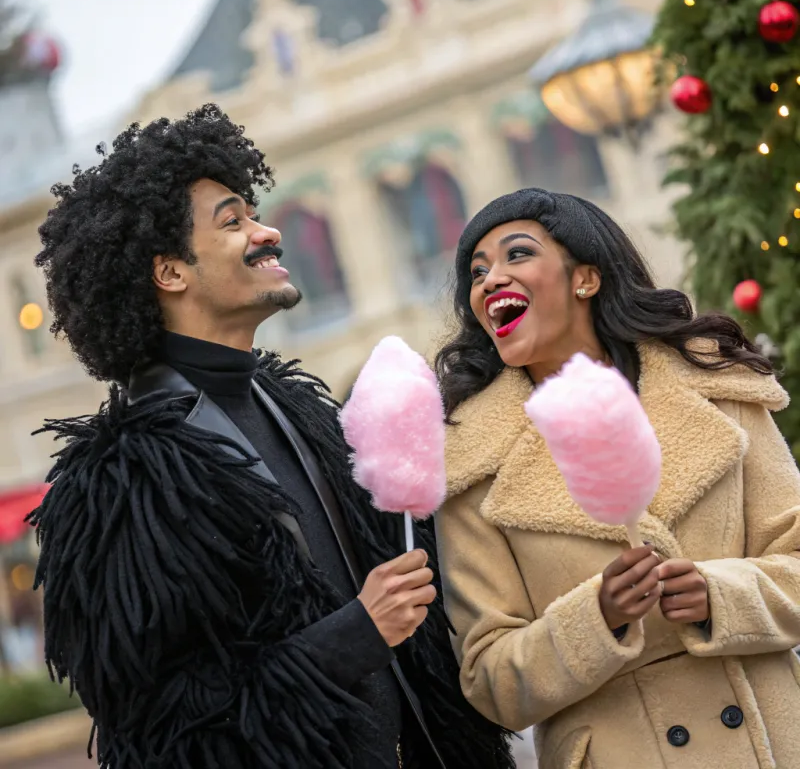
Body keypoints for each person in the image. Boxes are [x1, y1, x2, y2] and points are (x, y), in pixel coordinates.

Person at [28, 104, 514, 769]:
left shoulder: (301, 413)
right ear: (170, 272)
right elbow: (162, 732)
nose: (268, 232)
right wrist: (353, 635)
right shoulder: (121, 486)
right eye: (234, 221)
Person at [433, 187, 800, 768]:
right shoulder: (471, 464)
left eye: (517, 255)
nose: (489, 280)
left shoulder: (716, 387)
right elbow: (491, 680)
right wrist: (597, 617)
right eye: (477, 273)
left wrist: (719, 596)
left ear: (586, 277)